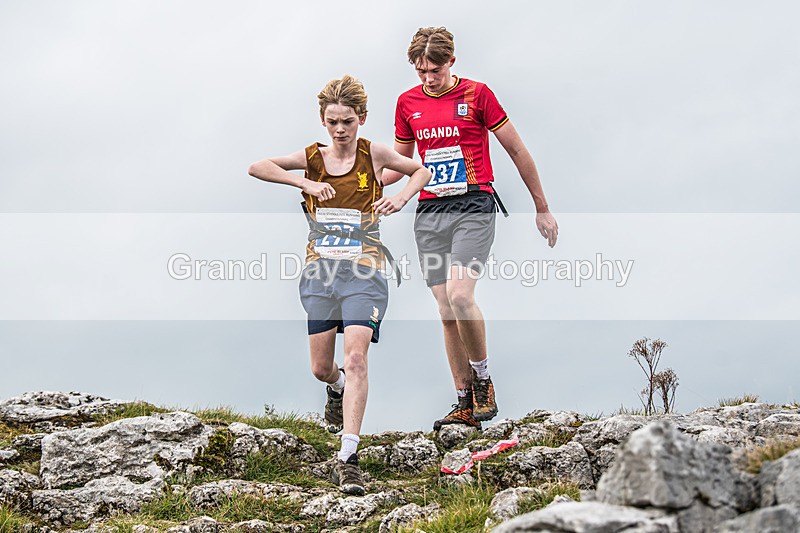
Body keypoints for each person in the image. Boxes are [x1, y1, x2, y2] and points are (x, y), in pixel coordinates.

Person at [247, 75, 430, 495]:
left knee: (358, 357)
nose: (340, 129)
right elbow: (257, 166)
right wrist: (304, 182)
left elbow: (420, 170)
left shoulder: (375, 154)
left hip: (365, 272)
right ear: (323, 121)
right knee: (320, 367)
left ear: (361, 119)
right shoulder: (312, 157)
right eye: (332, 121)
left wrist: (400, 198)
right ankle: (337, 386)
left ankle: (347, 456)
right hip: (320, 273)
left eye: (347, 121)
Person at [381, 27, 559, 431]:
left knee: (462, 296)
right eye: (421, 70)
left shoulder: (477, 94)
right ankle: (463, 403)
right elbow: (400, 165)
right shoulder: (407, 103)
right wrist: (357, 184)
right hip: (429, 211)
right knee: (445, 310)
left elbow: (516, 149)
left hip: (473, 204)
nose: (428, 78)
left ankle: (482, 379)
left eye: (435, 69)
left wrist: (542, 208)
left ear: (451, 62)